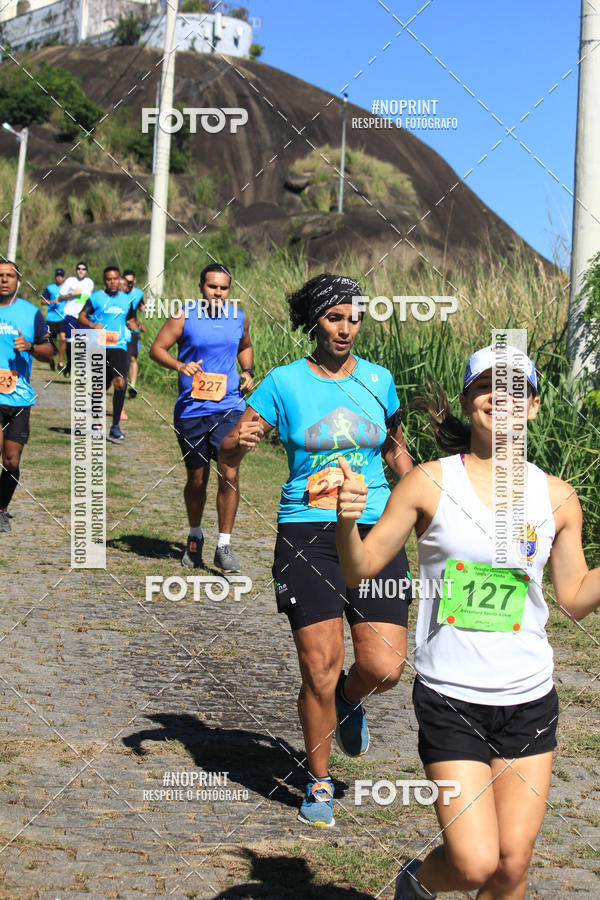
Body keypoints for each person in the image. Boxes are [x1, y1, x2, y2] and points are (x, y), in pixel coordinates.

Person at [335, 344, 600, 899]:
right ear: (468, 402)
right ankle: (416, 881)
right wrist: (347, 522)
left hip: (528, 696)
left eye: (513, 389)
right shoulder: (429, 483)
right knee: (475, 864)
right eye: (485, 387)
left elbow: (573, 598)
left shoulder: (557, 497)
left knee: (511, 867)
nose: (498, 399)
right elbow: (360, 570)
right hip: (451, 696)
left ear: (530, 407)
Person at [220, 273, 413, 827]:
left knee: (385, 666)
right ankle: (320, 780)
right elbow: (231, 447)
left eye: (354, 318)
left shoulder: (379, 379)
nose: (346, 329)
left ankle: (352, 701)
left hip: (376, 527)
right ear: (314, 321)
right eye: (334, 318)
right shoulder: (282, 383)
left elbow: (397, 451)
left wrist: (428, 495)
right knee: (320, 668)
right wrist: (238, 440)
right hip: (308, 531)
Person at [149, 263, 253, 573]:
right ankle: (195, 536)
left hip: (230, 407)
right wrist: (179, 366)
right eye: (212, 287)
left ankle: (224, 544)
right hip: (192, 410)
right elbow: (157, 349)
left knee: (229, 472)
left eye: (223, 288)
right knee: (197, 479)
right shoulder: (184, 316)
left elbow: (245, 347)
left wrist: (247, 371)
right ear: (201, 287)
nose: (218, 293)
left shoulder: (239, 318)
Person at [0, 260, 54, 531]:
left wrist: (30, 346)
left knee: (11, 460)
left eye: (10, 275)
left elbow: (49, 352)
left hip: (19, 397)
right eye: (0, 275)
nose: (4, 279)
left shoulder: (31, 313)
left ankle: (1, 507)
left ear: (18, 281)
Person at [78, 266, 139, 441]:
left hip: (119, 345)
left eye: (115, 279)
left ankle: (115, 426)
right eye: (109, 279)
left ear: (119, 279)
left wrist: (134, 325)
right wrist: (91, 325)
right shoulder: (96, 297)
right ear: (104, 280)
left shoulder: (128, 299)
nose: (112, 282)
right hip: (98, 345)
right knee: (99, 386)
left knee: (120, 383)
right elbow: (81, 316)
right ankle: (96, 422)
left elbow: (131, 318)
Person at [59, 262, 94, 376]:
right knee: (70, 345)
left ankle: (82, 371)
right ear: (76, 270)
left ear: (86, 271)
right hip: (71, 316)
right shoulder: (70, 281)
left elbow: (89, 300)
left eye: (83, 269)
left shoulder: (89, 283)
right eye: (78, 268)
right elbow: (60, 297)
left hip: (83, 317)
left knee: (83, 344)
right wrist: (71, 294)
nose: (81, 271)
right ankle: (70, 364)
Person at [121, 269, 146, 398]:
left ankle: (133, 385)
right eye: (125, 281)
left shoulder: (138, 293)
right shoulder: (117, 294)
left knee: (132, 358)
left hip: (132, 330)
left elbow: (141, 306)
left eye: (130, 282)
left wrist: (140, 322)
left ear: (134, 281)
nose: (128, 284)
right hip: (118, 330)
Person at [41, 268, 66, 371]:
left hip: (63, 317)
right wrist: (52, 302)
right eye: (57, 276)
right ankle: (51, 361)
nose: (59, 278)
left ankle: (60, 363)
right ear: (55, 277)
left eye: (61, 276)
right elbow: (42, 301)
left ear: (63, 277)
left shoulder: (67, 288)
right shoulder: (50, 288)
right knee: (52, 341)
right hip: (52, 318)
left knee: (63, 339)